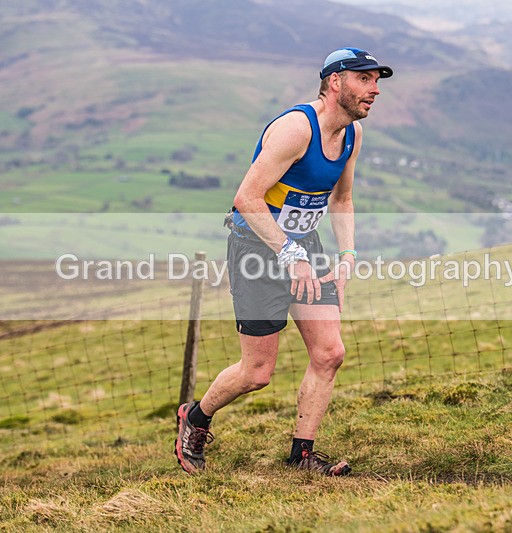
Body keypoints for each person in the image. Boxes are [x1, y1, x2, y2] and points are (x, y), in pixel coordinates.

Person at [175, 48, 392, 476]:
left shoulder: (351, 135)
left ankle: (302, 456)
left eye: (376, 80)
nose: (374, 89)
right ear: (335, 82)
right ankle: (195, 418)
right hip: (256, 247)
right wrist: (288, 253)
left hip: (304, 246)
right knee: (256, 372)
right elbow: (246, 198)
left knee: (329, 353)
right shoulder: (297, 129)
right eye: (364, 79)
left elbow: (342, 198)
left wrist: (347, 255)